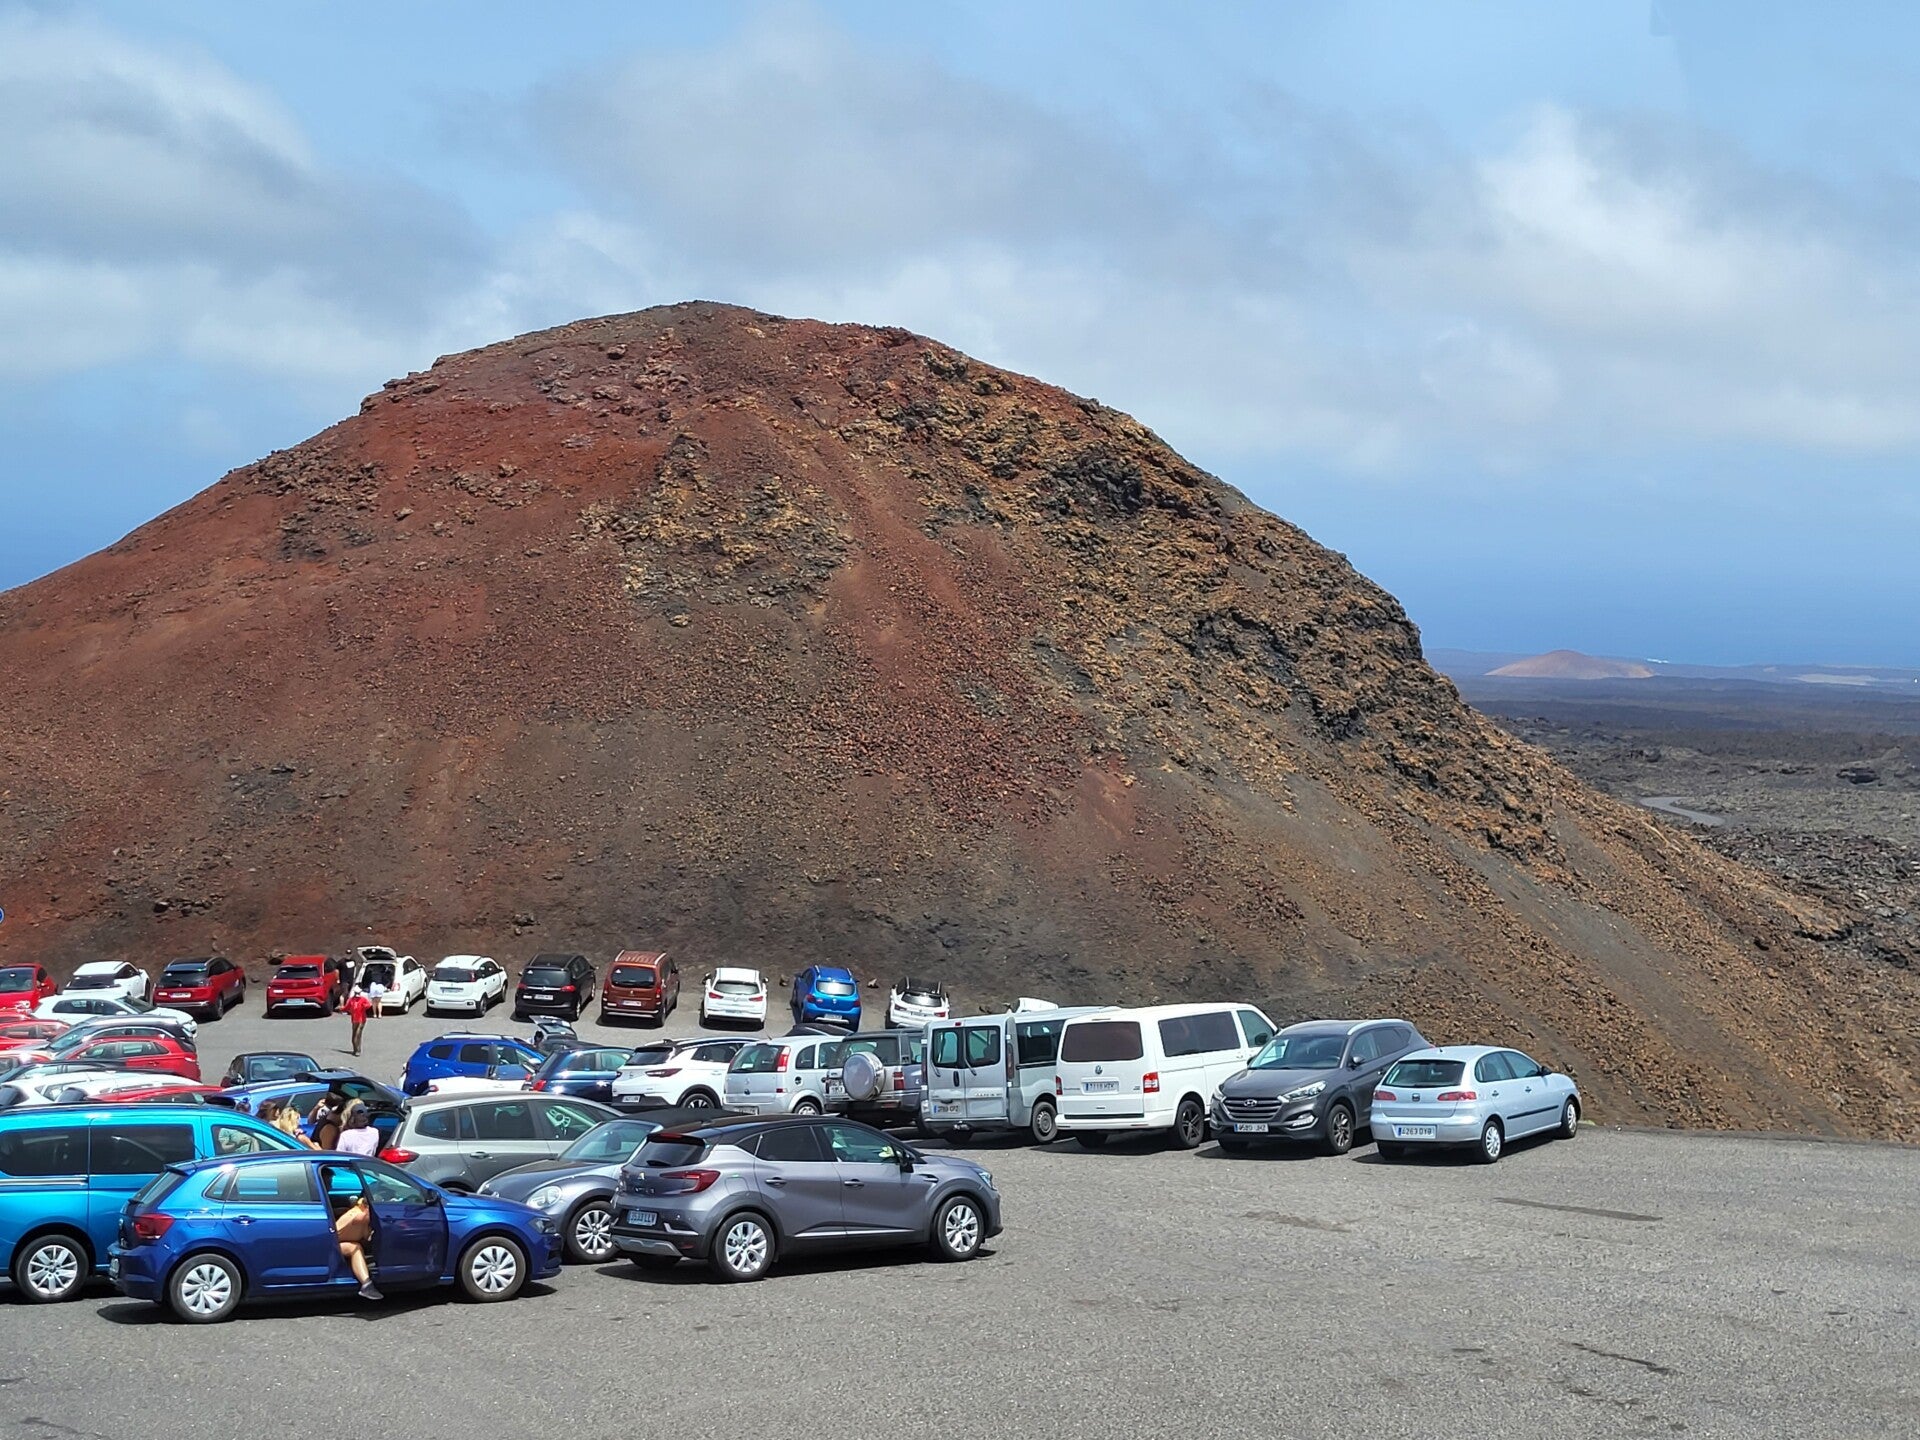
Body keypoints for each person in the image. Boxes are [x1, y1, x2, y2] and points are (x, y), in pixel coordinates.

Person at [330, 1173, 381, 1301]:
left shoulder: (359, 1213)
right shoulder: (358, 1216)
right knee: (355, 1248)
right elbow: (364, 1219)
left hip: (338, 1241)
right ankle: (366, 1284)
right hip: (331, 1245)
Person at [344, 986, 373, 1056]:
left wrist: (364, 1006)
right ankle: (355, 1049)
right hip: (354, 1019)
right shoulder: (351, 1000)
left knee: (358, 1034)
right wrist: (342, 1009)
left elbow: (368, 1005)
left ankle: (358, 1050)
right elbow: (347, 1007)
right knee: (354, 1036)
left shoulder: (363, 999)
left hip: (361, 1019)